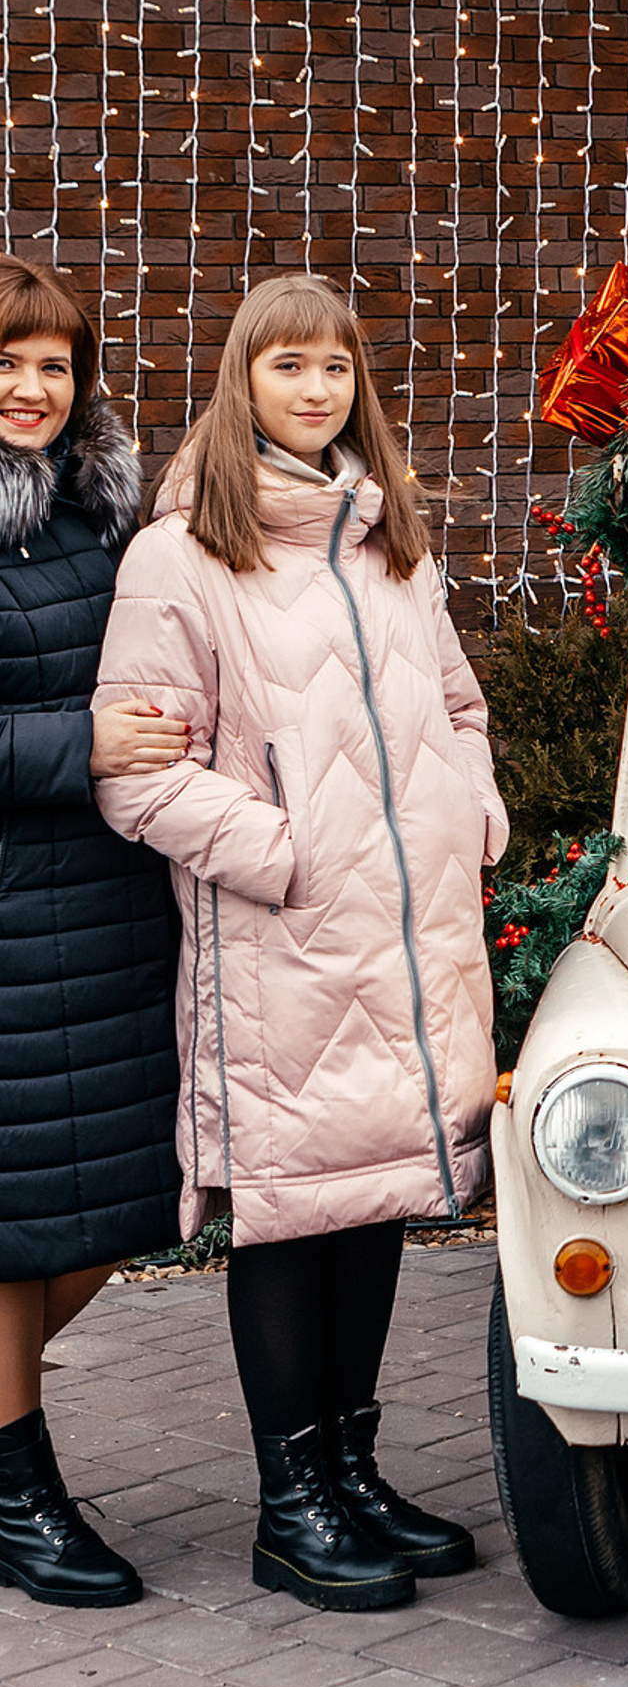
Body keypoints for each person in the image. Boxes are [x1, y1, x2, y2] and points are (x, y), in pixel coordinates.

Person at [94, 274, 508, 1611]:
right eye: (289, 368)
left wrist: (472, 808)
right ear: (244, 382)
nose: (316, 389)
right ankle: (293, 1505)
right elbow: (140, 774)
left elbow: (455, 698)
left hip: (408, 930)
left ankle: (353, 1470)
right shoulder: (183, 554)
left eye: (335, 367)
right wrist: (288, 852)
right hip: (284, 940)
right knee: (289, 1210)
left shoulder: (387, 538)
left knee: (377, 1192)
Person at [0, 256, 188, 1604]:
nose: (31, 389)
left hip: (111, 908)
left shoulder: (98, 509)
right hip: (12, 920)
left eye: (54, 363)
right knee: (13, 1228)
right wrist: (82, 743)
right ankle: (18, 1492)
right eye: (6, 363)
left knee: (120, 1205)